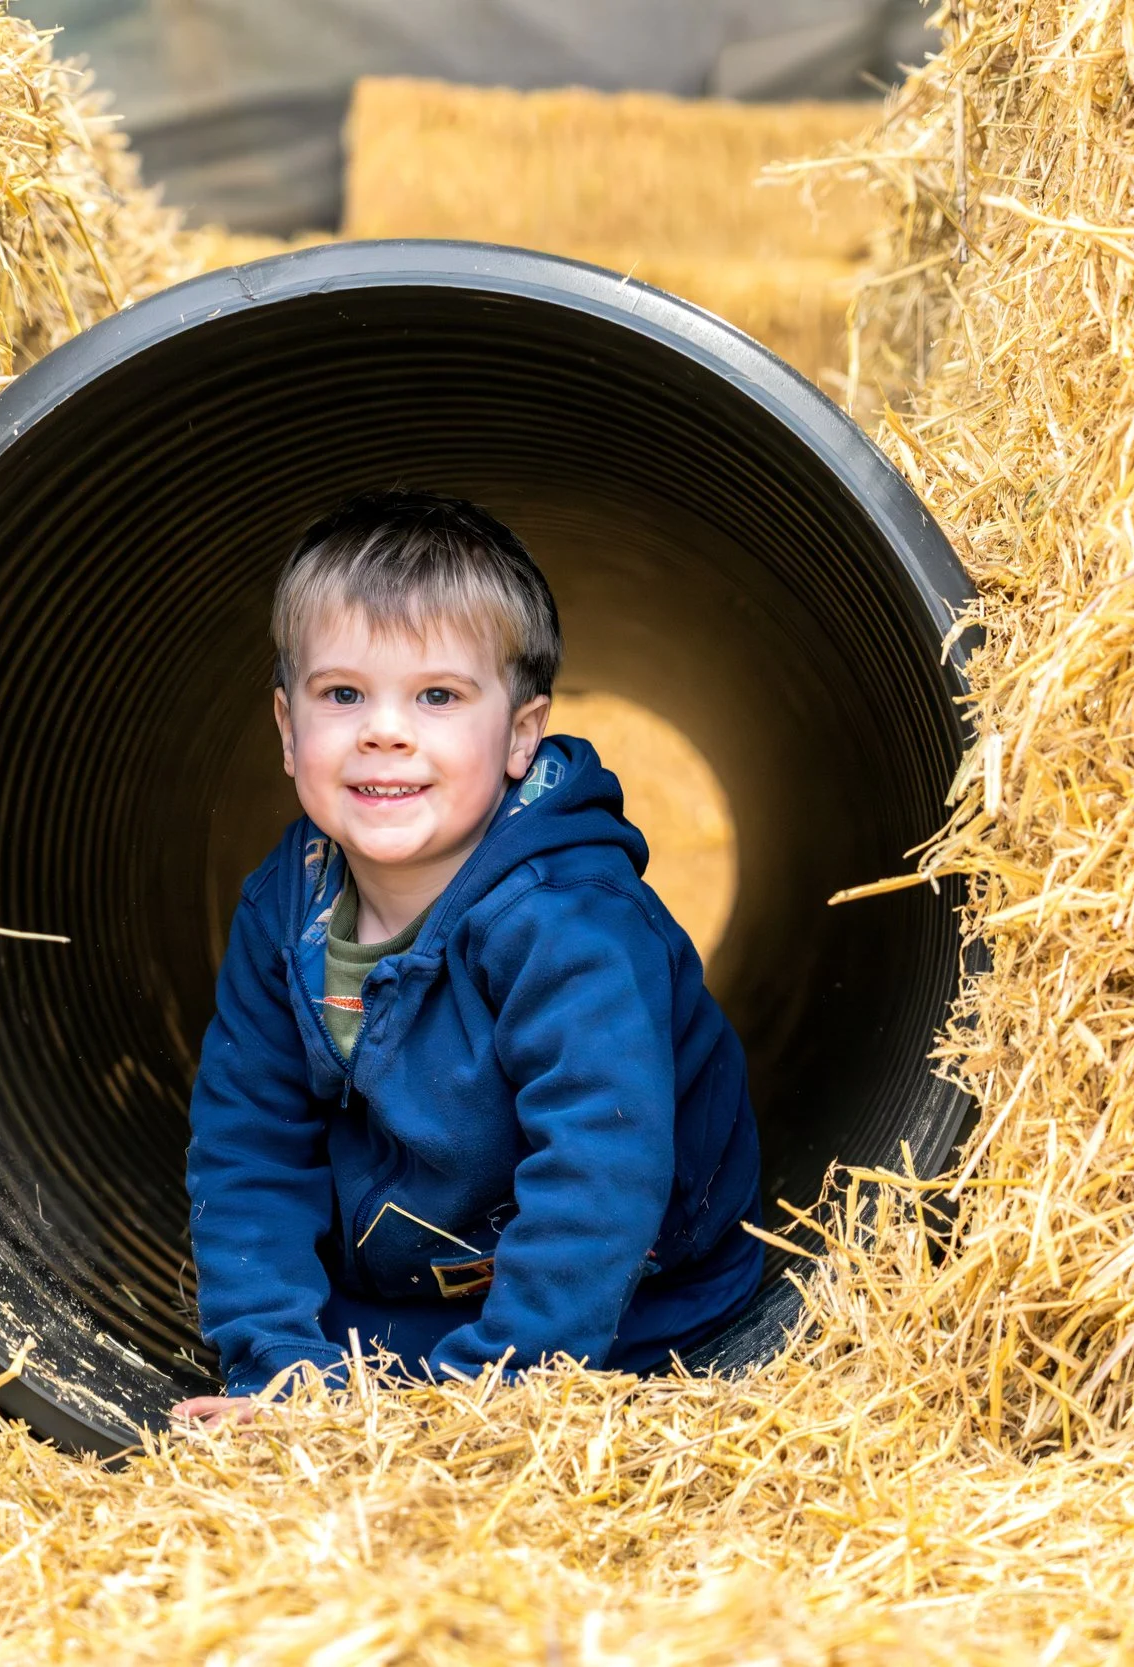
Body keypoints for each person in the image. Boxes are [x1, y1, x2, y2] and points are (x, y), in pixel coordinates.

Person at [175, 490, 762, 1425]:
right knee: (325, 1371)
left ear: (521, 734)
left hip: (638, 1298)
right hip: (417, 1283)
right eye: (343, 694)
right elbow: (249, 1143)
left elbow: (601, 1167)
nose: (386, 730)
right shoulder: (284, 909)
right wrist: (279, 1363)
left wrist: (484, 1404)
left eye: (437, 696)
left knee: (560, 1297)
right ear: (288, 732)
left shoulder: (571, 922)